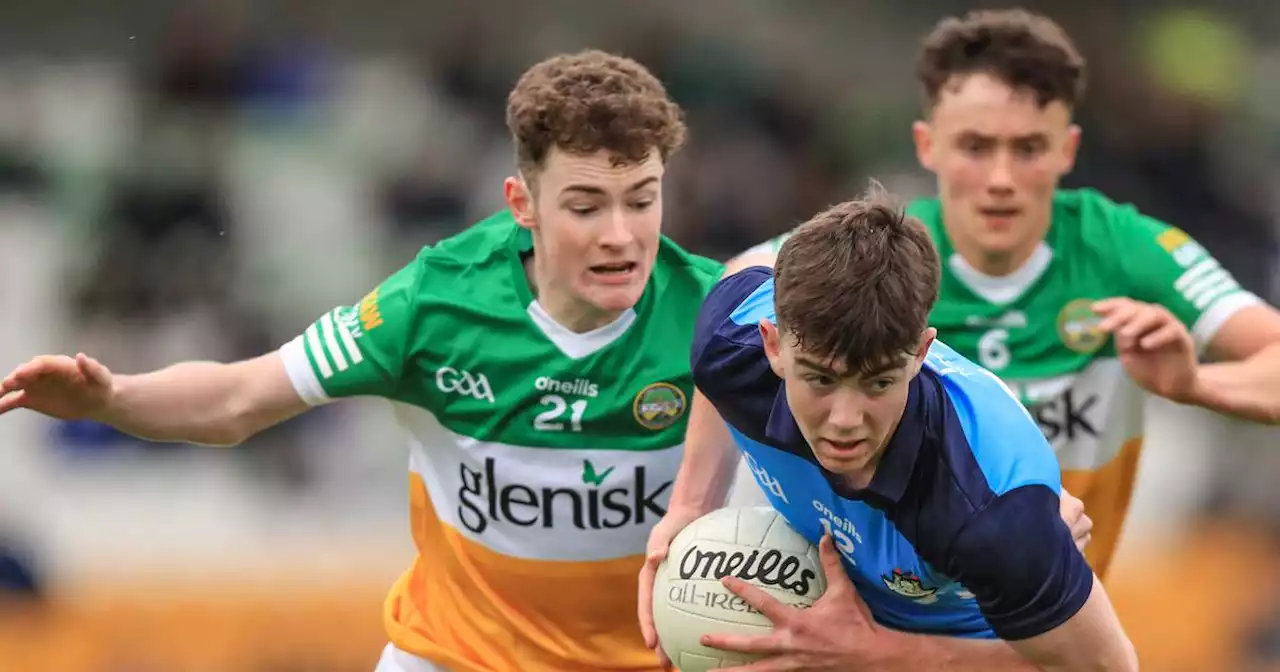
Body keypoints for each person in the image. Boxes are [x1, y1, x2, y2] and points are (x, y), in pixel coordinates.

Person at [0, 50, 720, 672]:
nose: (621, 236)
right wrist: (111, 397)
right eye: (587, 206)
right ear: (522, 203)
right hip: (450, 658)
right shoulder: (433, 307)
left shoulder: (717, 320)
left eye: (642, 200)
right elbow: (240, 397)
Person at [721, 8, 1280, 580]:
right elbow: (737, 286)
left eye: (1029, 148)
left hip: (1049, 619)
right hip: (888, 609)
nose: (1001, 179)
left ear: (1068, 149)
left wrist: (1197, 385)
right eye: (975, 146)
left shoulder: (1123, 249)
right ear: (927, 144)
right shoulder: (882, 255)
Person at [663, 189, 1138, 671]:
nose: (845, 421)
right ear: (772, 345)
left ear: (921, 353)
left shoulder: (991, 514)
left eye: (878, 382)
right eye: (820, 379)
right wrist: (691, 503)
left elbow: (1105, 666)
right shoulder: (727, 345)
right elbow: (742, 276)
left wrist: (874, 654)